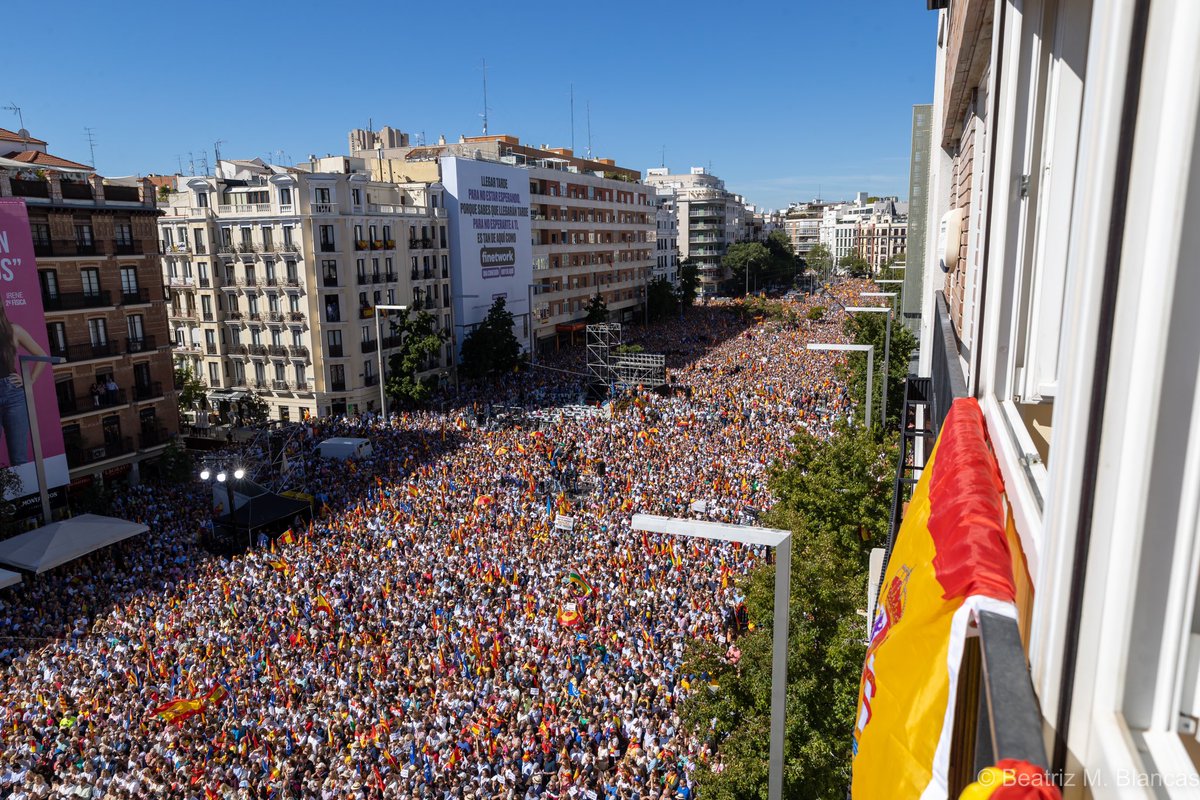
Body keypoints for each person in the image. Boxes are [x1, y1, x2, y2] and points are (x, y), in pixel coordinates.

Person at [0, 300, 49, 466]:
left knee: (19, 459)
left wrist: (30, 380)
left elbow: (41, 355)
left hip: (13, 396)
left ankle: (25, 485)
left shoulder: (14, 330)